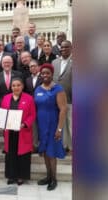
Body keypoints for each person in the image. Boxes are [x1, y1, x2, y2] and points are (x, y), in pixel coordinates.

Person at [34, 63, 67, 191]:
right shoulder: (38, 89)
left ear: (52, 74)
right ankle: (48, 176)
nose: (45, 75)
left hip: (54, 124)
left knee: (52, 152)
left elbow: (63, 109)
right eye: (43, 73)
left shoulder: (58, 89)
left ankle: (54, 179)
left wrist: (59, 128)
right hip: (41, 125)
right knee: (45, 152)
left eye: (47, 73)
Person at [0, 78, 36, 185]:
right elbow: (2, 113)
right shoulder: (6, 98)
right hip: (9, 132)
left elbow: (32, 115)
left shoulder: (29, 98)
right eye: (13, 85)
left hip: (23, 131)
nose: (16, 87)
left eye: (18, 85)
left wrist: (24, 124)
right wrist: (2, 123)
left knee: (23, 155)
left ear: (22, 86)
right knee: (10, 154)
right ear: (11, 87)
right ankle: (11, 176)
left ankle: (21, 176)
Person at [52, 40, 72, 154]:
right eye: (62, 48)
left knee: (71, 125)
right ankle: (64, 146)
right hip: (57, 99)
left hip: (71, 99)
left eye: (66, 47)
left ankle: (72, 147)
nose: (63, 49)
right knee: (61, 124)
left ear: (71, 48)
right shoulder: (54, 62)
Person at [24, 59, 43, 153]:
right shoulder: (27, 80)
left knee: (42, 126)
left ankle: (43, 146)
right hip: (32, 107)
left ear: (39, 67)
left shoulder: (43, 77)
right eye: (31, 66)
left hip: (42, 106)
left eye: (34, 65)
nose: (33, 68)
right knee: (34, 126)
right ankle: (35, 145)